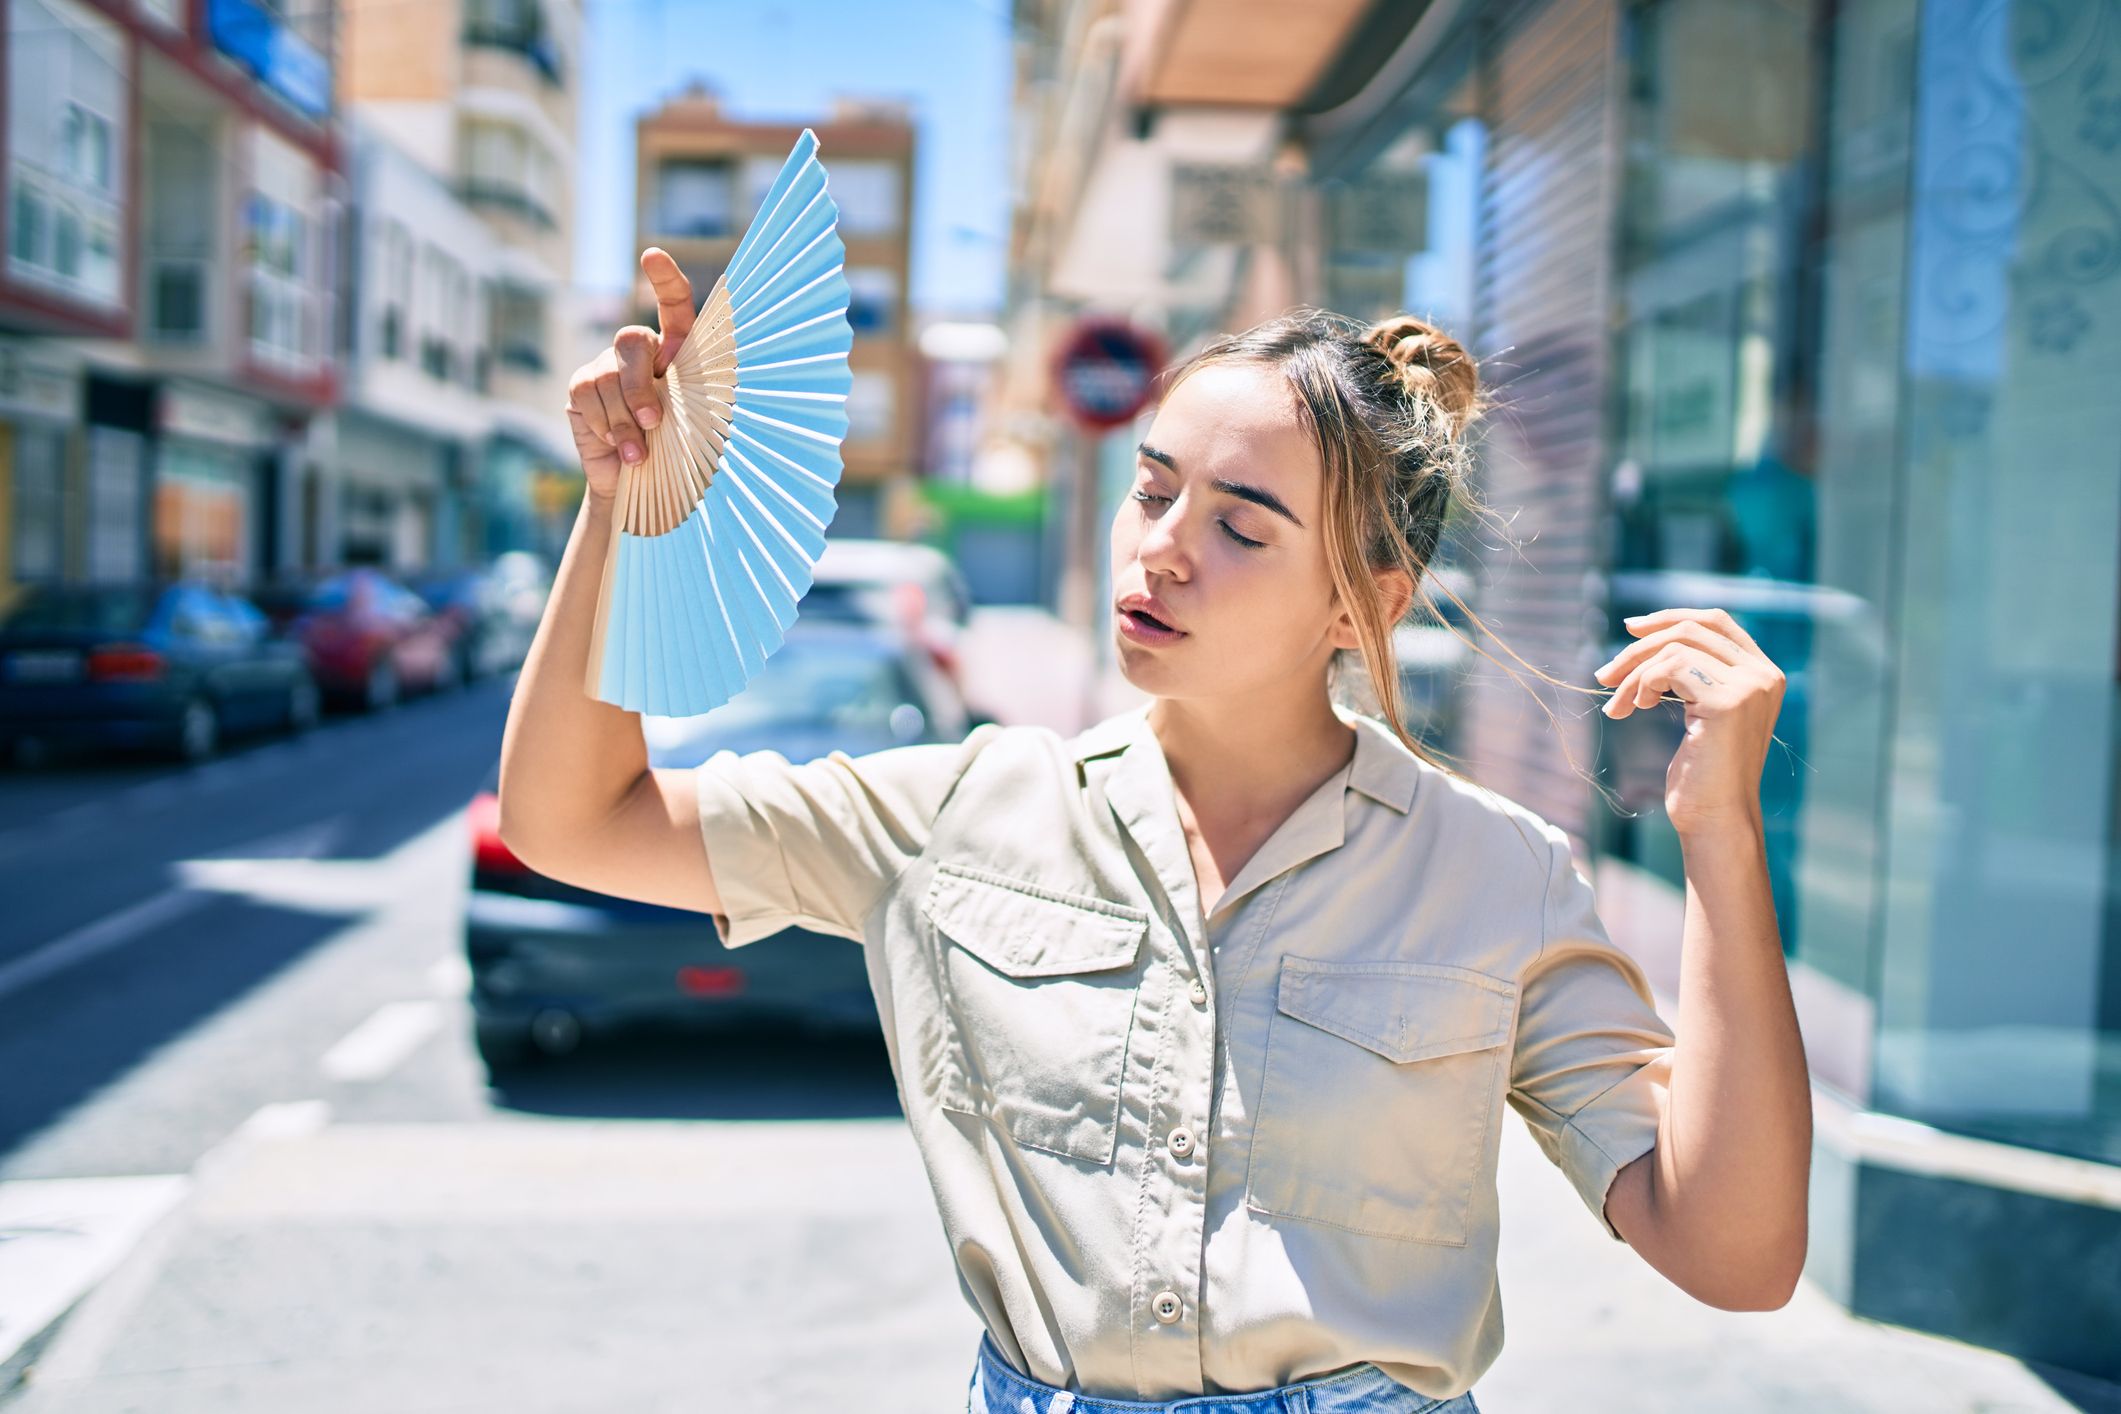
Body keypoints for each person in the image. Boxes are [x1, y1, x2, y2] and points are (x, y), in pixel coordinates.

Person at [498, 248, 1811, 1412]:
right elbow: (576, 820)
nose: (1162, 550)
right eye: (1152, 491)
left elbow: (1731, 1252)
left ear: (1366, 601)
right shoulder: (960, 809)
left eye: (1240, 524)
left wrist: (1721, 845)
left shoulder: (1496, 874)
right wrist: (625, 506)